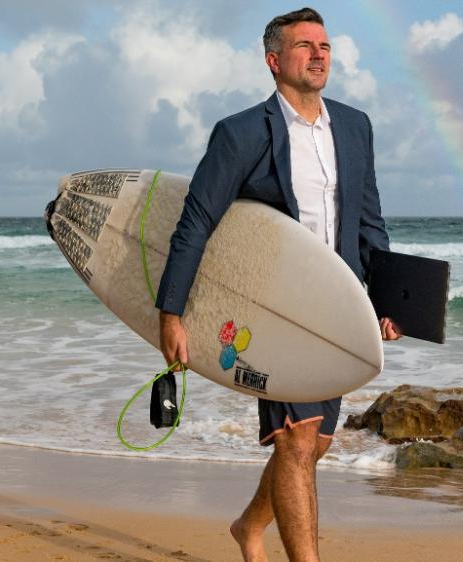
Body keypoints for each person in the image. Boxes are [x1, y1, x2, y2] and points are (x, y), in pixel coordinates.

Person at [154, 7, 399, 561]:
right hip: (272, 309)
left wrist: (384, 302)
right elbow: (196, 221)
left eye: (325, 45)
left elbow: (369, 223)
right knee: (296, 439)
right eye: (305, 45)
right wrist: (171, 313)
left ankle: (248, 527)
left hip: (334, 306)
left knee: (315, 443)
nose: (319, 54)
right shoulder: (240, 134)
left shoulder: (355, 126)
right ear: (274, 60)